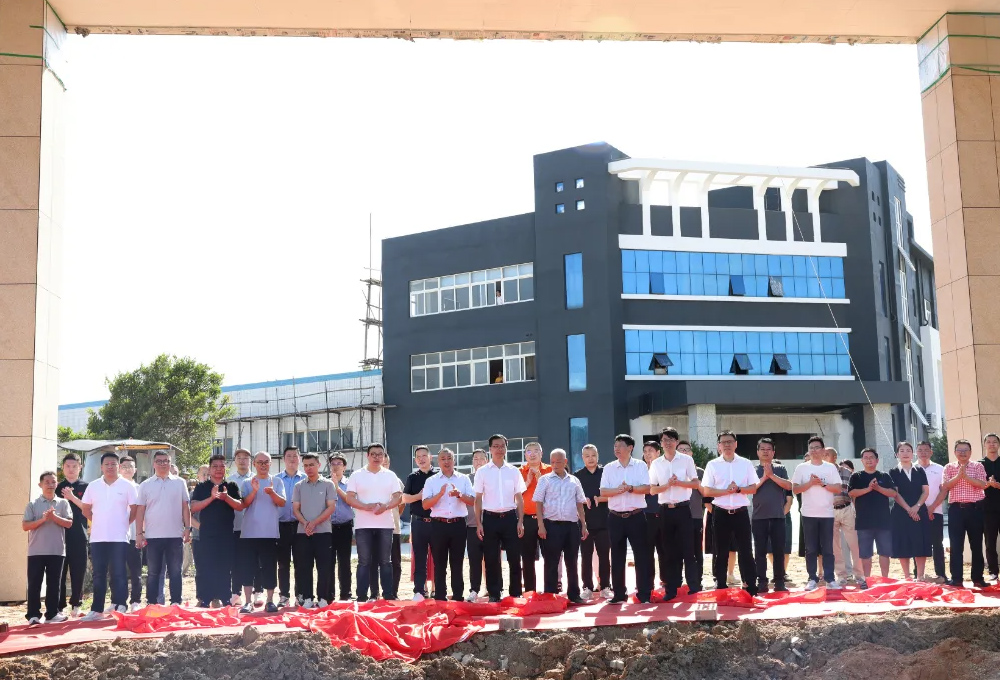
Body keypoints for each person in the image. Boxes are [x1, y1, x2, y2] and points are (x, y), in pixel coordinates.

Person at [340, 443, 402, 601]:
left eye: (380, 454)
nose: (376, 457)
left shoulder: (390, 475)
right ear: (367, 456)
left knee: (385, 561)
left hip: (385, 525)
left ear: (384, 456)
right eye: (373, 454)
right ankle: (361, 596)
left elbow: (397, 497)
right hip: (363, 525)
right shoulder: (357, 475)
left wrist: (386, 506)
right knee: (364, 561)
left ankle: (388, 595)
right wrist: (365, 506)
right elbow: (350, 497)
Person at [80, 451, 139, 620]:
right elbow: (85, 509)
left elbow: (134, 509)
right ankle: (97, 609)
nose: (110, 467)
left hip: (119, 537)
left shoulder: (127, 486)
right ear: (101, 467)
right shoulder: (93, 486)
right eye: (107, 464)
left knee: (119, 572)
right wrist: (98, 520)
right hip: (98, 537)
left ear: (119, 466)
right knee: (99, 574)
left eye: (113, 464)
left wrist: (124, 523)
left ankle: (121, 605)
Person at [701, 430, 759, 595]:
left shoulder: (746, 463)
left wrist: (739, 489)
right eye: (723, 442)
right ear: (719, 446)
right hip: (720, 513)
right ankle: (720, 585)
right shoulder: (712, 465)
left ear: (736, 444)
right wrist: (726, 491)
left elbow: (753, 488)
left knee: (746, 551)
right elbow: (707, 491)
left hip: (741, 512)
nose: (727, 445)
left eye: (730, 442)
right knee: (720, 552)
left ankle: (749, 585)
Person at [474, 434, 527, 602]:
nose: (499, 449)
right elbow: (477, 499)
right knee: (491, 558)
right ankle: (495, 593)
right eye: (496, 446)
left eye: (502, 446)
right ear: (490, 449)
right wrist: (478, 523)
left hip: (510, 518)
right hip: (490, 519)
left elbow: (519, 498)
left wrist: (520, 520)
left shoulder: (514, 471)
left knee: (514, 557)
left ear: (506, 448)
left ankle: (515, 592)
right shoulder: (482, 472)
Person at [929, 438, 988, 587]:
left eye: (965, 450)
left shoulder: (978, 466)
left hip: (975, 509)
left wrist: (966, 477)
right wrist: (958, 476)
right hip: (956, 510)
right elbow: (945, 486)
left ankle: (978, 578)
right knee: (956, 546)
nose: (962, 453)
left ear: (970, 452)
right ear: (955, 452)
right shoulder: (949, 467)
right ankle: (957, 579)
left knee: (976, 545)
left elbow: (983, 484)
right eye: (959, 450)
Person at [648, 427, 699, 601]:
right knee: (668, 552)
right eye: (664, 440)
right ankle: (671, 588)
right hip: (665, 511)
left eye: (671, 439)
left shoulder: (686, 460)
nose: (667, 443)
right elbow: (652, 489)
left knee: (688, 550)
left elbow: (695, 483)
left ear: (676, 442)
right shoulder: (656, 463)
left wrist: (679, 483)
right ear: (661, 443)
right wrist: (667, 485)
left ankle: (693, 587)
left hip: (683, 509)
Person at [600, 434, 652, 603]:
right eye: (615, 446)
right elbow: (603, 491)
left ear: (630, 448)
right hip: (615, 517)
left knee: (641, 556)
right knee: (616, 556)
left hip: (636, 516)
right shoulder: (609, 468)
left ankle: (644, 594)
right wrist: (618, 490)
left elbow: (647, 488)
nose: (616, 449)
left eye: (620, 445)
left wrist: (630, 488)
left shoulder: (640, 465)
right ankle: (619, 594)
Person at [135, 451, 191, 606]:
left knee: (175, 572)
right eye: (159, 461)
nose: (163, 464)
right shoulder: (146, 485)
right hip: (153, 536)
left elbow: (185, 507)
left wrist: (188, 528)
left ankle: (176, 602)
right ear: (154, 464)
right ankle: (152, 603)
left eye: (166, 461)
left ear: (170, 463)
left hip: (175, 535)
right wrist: (139, 533)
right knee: (153, 572)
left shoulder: (180, 483)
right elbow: (140, 510)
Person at [534, 448, 588, 604]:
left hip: (571, 526)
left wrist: (583, 524)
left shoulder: (574, 480)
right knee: (551, 562)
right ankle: (550, 595)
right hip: (551, 526)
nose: (555, 465)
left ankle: (574, 594)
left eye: (558, 462)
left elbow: (580, 503)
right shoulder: (545, 480)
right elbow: (538, 503)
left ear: (565, 462)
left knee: (572, 561)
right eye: (552, 462)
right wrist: (541, 525)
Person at [791, 435, 842, 591]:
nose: (814, 450)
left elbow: (838, 488)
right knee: (811, 548)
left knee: (827, 549)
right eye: (811, 448)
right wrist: (810, 483)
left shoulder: (830, 467)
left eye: (817, 447)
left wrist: (823, 484)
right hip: (808, 513)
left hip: (827, 513)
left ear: (823, 450)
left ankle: (830, 579)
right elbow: (795, 489)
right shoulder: (802, 468)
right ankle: (812, 578)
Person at [190, 454, 242, 607]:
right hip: (206, 533)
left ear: (225, 468)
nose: (219, 469)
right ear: (210, 469)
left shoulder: (231, 486)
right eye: (215, 466)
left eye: (222, 466)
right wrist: (211, 498)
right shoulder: (202, 487)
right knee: (206, 566)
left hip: (226, 533)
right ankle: (205, 598)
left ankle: (224, 597)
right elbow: (193, 507)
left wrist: (226, 498)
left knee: (225, 566)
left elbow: (240, 506)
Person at [422, 448, 474, 601]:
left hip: (458, 525)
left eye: (449, 458)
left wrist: (459, 495)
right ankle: (440, 596)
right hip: (438, 525)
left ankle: (458, 596)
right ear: (438, 462)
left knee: (457, 563)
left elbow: (472, 501)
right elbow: (425, 505)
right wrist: (439, 494)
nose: (446, 461)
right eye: (443, 459)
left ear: (454, 460)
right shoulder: (431, 481)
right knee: (439, 563)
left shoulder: (463, 478)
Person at [238, 451, 287, 613]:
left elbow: (282, 502)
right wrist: (254, 490)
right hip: (249, 533)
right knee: (247, 567)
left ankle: (270, 601)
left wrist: (271, 492)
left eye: (266, 462)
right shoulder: (247, 482)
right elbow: (244, 504)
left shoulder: (277, 481)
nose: (263, 465)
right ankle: (247, 602)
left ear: (270, 464)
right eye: (260, 462)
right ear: (254, 464)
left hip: (269, 533)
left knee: (269, 567)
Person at [23, 471, 73, 624]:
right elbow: (25, 526)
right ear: (40, 484)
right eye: (47, 482)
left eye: (53, 482)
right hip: (36, 551)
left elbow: (69, 523)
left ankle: (52, 614)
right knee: (34, 584)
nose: (50, 485)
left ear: (57, 484)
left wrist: (54, 517)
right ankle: (33, 615)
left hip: (57, 550)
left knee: (54, 584)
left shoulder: (63, 503)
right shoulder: (33, 504)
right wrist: (43, 519)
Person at [292, 452, 337, 608]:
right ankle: (307, 597)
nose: (309, 468)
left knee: (324, 566)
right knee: (304, 566)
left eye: (311, 465)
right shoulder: (299, 486)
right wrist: (306, 523)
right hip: (303, 532)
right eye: (305, 465)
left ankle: (323, 597)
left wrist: (315, 523)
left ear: (319, 465)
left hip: (323, 531)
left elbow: (331, 507)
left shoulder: (328, 484)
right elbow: (295, 509)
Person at [848, 447, 897, 586]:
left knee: (884, 552)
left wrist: (878, 488)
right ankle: (867, 580)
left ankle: (885, 579)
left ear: (877, 460)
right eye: (866, 458)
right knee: (865, 554)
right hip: (863, 521)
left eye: (871, 457)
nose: (869, 460)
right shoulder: (856, 476)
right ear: (862, 460)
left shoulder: (884, 476)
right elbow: (851, 493)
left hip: (883, 521)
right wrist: (869, 489)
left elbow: (893, 493)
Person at [751, 438, 791, 593]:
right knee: (760, 551)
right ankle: (762, 581)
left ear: (773, 452)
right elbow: (750, 489)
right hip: (758, 516)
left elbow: (788, 486)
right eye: (762, 449)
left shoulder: (780, 468)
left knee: (778, 550)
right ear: (757, 452)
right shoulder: (753, 470)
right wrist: (764, 477)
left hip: (778, 516)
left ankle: (779, 581)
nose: (765, 452)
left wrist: (772, 475)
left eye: (768, 449)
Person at [889, 441, 932, 581]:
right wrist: (909, 509)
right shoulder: (893, 472)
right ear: (897, 454)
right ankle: (907, 576)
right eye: (902, 451)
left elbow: (925, 491)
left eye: (908, 450)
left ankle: (920, 576)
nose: (905, 453)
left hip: (919, 511)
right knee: (903, 543)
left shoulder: (920, 470)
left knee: (920, 542)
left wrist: (916, 507)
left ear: (912, 453)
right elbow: (895, 494)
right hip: (901, 513)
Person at [574, 444, 610, 600]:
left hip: (605, 521)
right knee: (586, 556)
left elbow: (614, 494)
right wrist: (583, 500)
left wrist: (600, 498)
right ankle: (587, 587)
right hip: (585, 523)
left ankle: (605, 586)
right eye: (587, 456)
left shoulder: (606, 473)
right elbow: (574, 498)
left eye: (593, 455)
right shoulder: (577, 476)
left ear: (598, 456)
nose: (590, 459)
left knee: (604, 556)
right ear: (582, 458)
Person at [402, 446, 437, 600]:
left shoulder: (438, 476)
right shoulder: (412, 477)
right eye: (418, 457)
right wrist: (419, 496)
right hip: (418, 522)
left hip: (437, 522)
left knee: (438, 557)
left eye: (424, 456)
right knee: (419, 557)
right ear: (415, 460)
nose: (421, 459)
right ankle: (419, 590)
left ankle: (437, 589)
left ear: (430, 457)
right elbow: (405, 498)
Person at [824, 447, 863, 586]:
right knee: (835, 546)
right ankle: (841, 575)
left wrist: (856, 510)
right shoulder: (821, 472)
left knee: (854, 543)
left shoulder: (847, 472)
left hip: (846, 508)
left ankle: (859, 574)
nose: (823, 456)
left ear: (834, 457)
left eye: (826, 454)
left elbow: (853, 492)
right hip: (829, 511)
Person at [55, 453, 88, 618]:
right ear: (63, 468)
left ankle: (76, 604)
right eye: (67, 466)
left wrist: (71, 497)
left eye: (74, 466)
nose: (71, 469)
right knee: (59, 571)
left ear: (80, 467)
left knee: (78, 570)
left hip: (79, 534)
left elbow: (89, 509)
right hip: (59, 535)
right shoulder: (57, 487)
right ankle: (59, 606)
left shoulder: (87, 487)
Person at [368, 453, 404, 598]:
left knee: (394, 562)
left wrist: (394, 515)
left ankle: (392, 592)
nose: (383, 465)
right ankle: (374, 593)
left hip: (392, 528)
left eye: (386, 463)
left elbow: (402, 503)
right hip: (372, 527)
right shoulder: (368, 480)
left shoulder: (395, 480)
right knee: (373, 562)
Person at [275, 446, 306, 607]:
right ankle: (284, 596)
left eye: (295, 456)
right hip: (281, 526)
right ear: (283, 459)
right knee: (283, 563)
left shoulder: (306, 478)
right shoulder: (276, 479)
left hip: (301, 525)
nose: (292, 459)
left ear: (299, 458)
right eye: (289, 456)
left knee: (301, 563)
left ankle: (300, 595)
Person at [519, 441, 551, 595]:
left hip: (546, 519)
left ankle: (550, 590)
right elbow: (514, 495)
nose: (532, 454)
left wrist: (540, 479)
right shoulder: (519, 472)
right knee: (527, 558)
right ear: (525, 455)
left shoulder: (550, 470)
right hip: (526, 519)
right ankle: (530, 591)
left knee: (550, 556)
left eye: (536, 451)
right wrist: (527, 482)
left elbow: (554, 494)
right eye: (529, 451)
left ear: (541, 453)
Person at [228, 448, 257, 606]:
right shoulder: (229, 480)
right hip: (236, 526)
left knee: (254, 561)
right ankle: (235, 592)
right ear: (235, 461)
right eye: (239, 457)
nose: (242, 460)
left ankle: (257, 592)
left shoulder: (256, 478)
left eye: (245, 458)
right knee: (236, 562)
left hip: (254, 527)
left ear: (250, 461)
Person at [916, 440, 947, 582]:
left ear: (931, 452)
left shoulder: (940, 468)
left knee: (937, 543)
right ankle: (918, 574)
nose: (923, 453)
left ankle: (941, 574)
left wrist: (932, 507)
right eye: (920, 450)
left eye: (926, 450)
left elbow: (943, 491)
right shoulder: (912, 468)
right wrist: (921, 509)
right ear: (916, 452)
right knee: (918, 542)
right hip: (917, 512)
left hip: (936, 511)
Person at [640, 441, 668, 592]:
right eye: (645, 451)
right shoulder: (640, 470)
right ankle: (648, 582)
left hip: (663, 513)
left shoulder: (664, 468)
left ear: (658, 453)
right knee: (647, 551)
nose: (647, 454)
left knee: (664, 549)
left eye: (650, 450)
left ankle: (666, 580)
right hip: (646, 515)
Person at [117, 455, 144, 611]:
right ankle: (119, 601)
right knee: (118, 571)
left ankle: (136, 601)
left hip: (135, 535)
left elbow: (144, 512)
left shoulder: (140, 488)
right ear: (119, 468)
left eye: (130, 466)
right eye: (124, 466)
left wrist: (142, 532)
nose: (127, 469)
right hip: (117, 536)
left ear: (136, 470)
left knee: (136, 571)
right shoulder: (114, 487)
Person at [326, 454, 354, 602]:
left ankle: (346, 594)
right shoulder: (324, 483)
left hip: (345, 527)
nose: (336, 466)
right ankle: (328, 595)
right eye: (333, 463)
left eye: (339, 463)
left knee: (345, 562)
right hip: (327, 527)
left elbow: (351, 501)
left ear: (344, 467)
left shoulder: (350, 483)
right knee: (328, 562)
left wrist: (337, 487)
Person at [465, 449, 489, 602]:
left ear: (486, 460)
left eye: (481, 458)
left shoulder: (492, 477)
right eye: (475, 459)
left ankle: (493, 589)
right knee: (474, 560)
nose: (478, 461)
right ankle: (474, 590)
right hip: (472, 525)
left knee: (492, 559)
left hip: (491, 524)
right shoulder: (466, 479)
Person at [979, 433, 1000, 581]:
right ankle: (993, 571)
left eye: (995, 442)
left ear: (998, 444)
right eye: (989, 442)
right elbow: (974, 485)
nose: (992, 444)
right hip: (986, 509)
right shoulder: (979, 464)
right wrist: (986, 485)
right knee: (989, 541)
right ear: (985, 444)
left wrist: (998, 485)